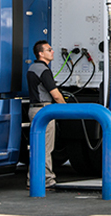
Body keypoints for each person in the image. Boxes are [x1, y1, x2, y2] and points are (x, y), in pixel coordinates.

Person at [27, 40, 65, 188]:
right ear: (41, 53)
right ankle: (46, 180)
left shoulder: (32, 68)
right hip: (44, 110)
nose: (52, 51)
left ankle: (34, 180)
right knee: (45, 148)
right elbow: (55, 95)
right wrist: (65, 109)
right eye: (49, 49)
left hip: (34, 109)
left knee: (37, 146)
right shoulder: (43, 70)